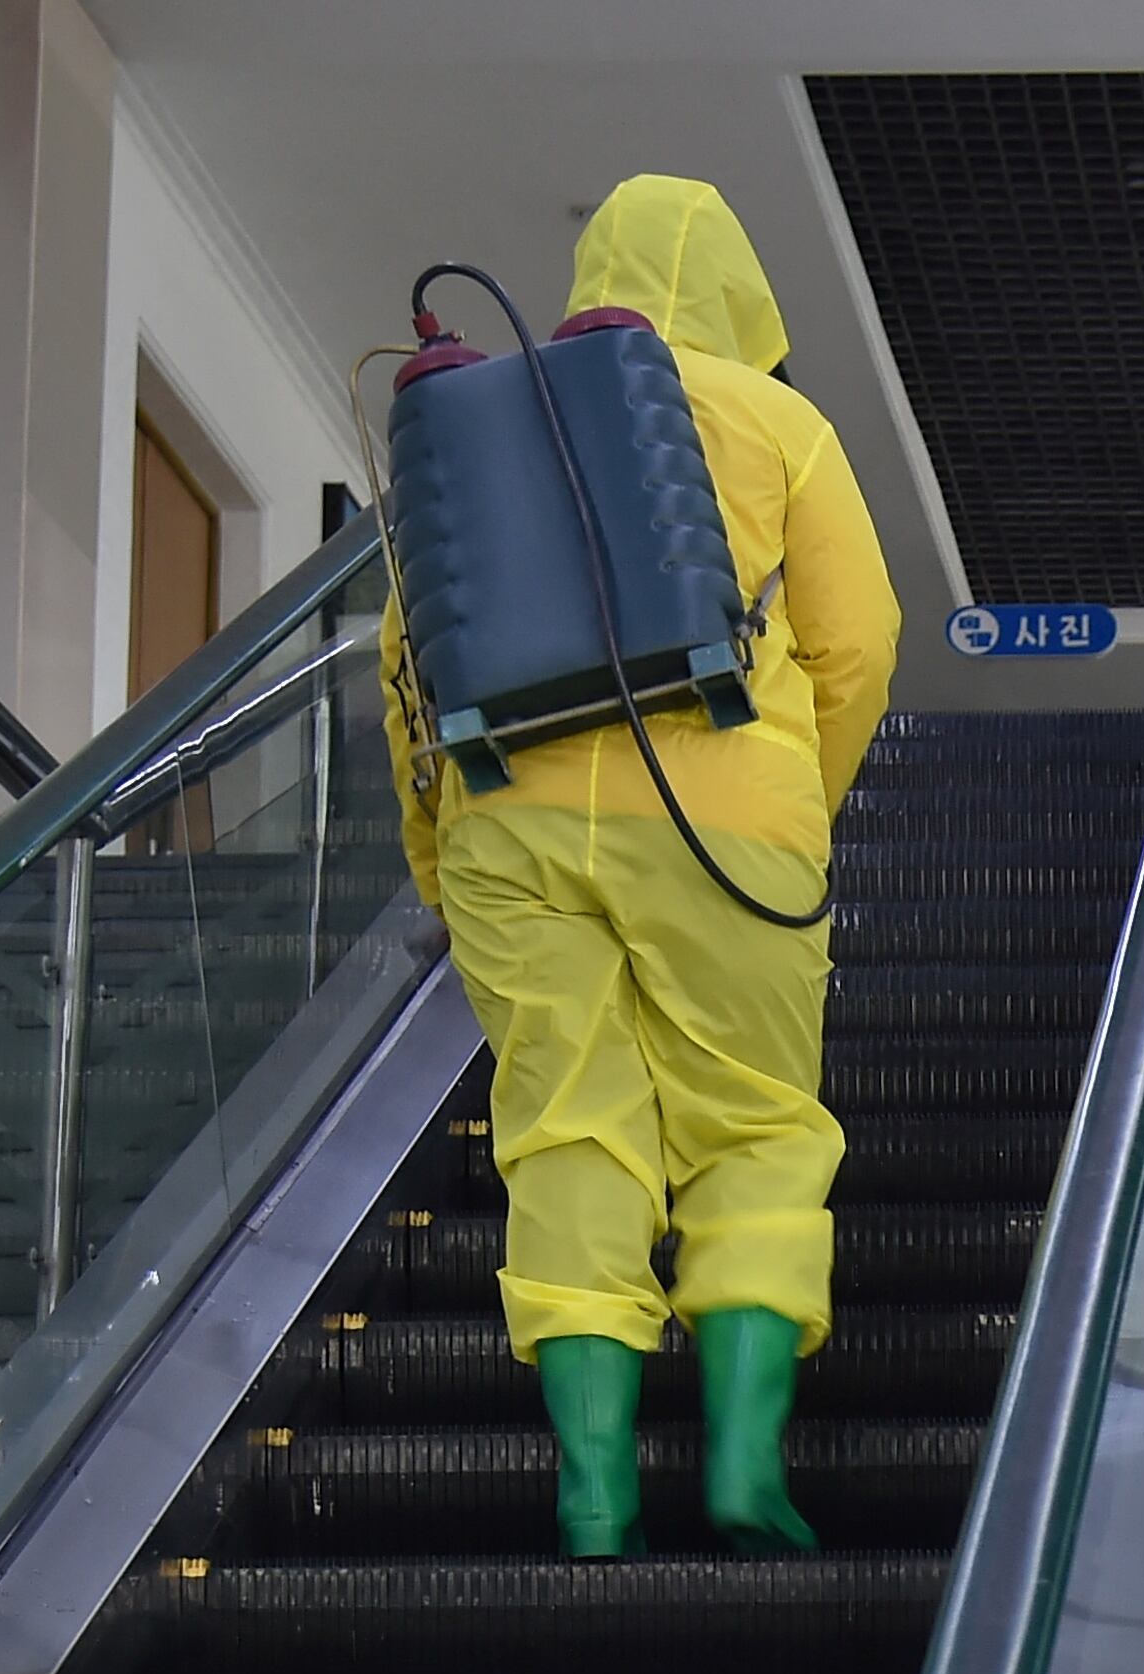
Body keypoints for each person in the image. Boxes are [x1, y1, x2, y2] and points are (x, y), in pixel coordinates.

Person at [380, 174, 896, 1555]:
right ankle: (740, 1465)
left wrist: (444, 859)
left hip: (508, 822)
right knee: (754, 1123)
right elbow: (860, 640)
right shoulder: (775, 418)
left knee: (566, 1127)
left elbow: (408, 664)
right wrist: (796, 802)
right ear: (741, 296)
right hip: (725, 811)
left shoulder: (493, 425)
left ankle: (597, 1493)